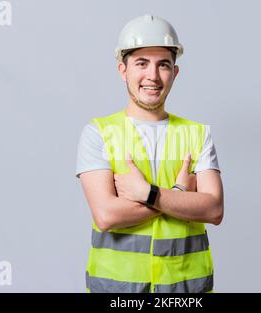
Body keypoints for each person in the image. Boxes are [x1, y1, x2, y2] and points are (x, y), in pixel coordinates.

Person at [76, 14, 224, 293]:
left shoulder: (198, 134)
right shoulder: (98, 133)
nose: (152, 76)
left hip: (185, 293)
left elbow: (214, 210)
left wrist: (147, 193)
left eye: (163, 65)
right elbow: (106, 215)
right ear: (123, 70)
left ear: (175, 72)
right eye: (141, 63)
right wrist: (180, 193)